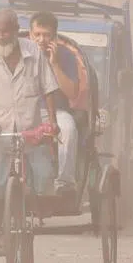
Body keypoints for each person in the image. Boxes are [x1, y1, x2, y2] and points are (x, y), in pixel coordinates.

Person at [0, 9, 60, 257]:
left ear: (17, 30)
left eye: (6, 31)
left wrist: (52, 122)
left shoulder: (34, 53)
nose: (1, 36)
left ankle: (27, 224)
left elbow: (49, 89)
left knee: (44, 179)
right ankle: (4, 232)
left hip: (31, 131)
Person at [28, 10, 80, 196]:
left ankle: (64, 182)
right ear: (30, 34)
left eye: (47, 35)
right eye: (37, 34)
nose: (41, 39)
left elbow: (72, 93)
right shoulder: (21, 53)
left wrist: (55, 64)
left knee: (68, 128)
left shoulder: (65, 55)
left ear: (54, 36)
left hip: (57, 112)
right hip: (25, 111)